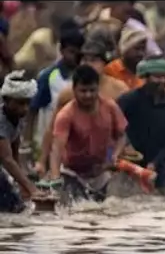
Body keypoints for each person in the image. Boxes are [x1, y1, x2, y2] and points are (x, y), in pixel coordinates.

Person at [35, 37, 129, 178]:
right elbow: (54, 134)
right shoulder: (67, 95)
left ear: (105, 63)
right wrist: (42, 162)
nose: (89, 64)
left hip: (106, 162)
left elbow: (126, 129)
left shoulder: (120, 91)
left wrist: (118, 156)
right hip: (73, 164)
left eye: (94, 60)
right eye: (84, 60)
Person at [48, 65, 128, 203]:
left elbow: (121, 135)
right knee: (78, 211)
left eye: (92, 90)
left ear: (98, 88)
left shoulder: (110, 107)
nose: (88, 95)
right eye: (83, 91)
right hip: (72, 173)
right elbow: (56, 150)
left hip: (100, 172)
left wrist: (116, 155)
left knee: (101, 211)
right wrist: (55, 180)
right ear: (74, 90)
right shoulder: (66, 115)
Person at [117, 58, 165, 194]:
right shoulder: (129, 100)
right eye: (157, 77)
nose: (162, 81)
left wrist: (154, 163)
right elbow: (115, 126)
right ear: (146, 77)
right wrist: (126, 146)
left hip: (159, 164)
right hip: (131, 163)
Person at [25, 28, 84, 152]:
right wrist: (28, 142)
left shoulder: (85, 76)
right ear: (62, 50)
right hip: (47, 143)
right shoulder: (49, 76)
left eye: (79, 54)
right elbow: (32, 110)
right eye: (71, 52)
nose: (75, 57)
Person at [0, 71, 44, 212]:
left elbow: (15, 155)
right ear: (6, 100)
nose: (24, 108)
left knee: (17, 206)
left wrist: (23, 185)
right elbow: (7, 159)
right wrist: (32, 189)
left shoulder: (18, 117)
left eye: (27, 103)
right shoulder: (1, 121)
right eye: (19, 103)